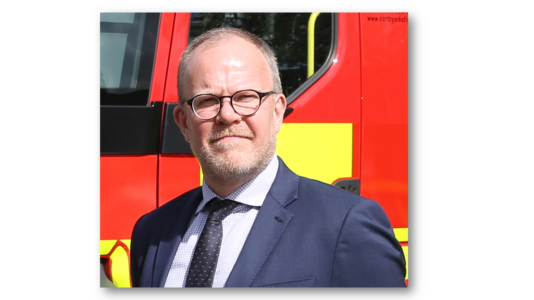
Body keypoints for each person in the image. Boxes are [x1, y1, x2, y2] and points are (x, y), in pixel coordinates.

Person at [130, 27, 406, 287]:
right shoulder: (151, 233)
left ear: (277, 112)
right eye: (207, 101)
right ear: (183, 123)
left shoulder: (348, 225)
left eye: (246, 97)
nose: (227, 115)